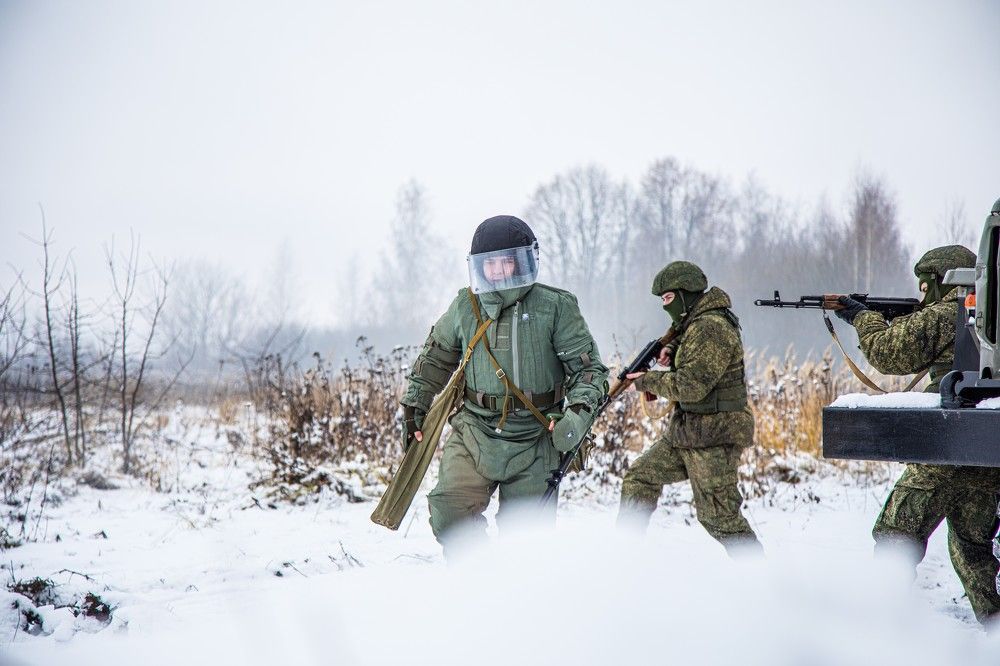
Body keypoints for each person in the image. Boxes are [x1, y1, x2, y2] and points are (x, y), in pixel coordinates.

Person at [400, 215, 608, 555]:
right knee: (448, 513)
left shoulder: (556, 306)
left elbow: (589, 372)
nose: (498, 271)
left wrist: (577, 416)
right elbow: (434, 360)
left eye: (506, 261)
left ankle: (513, 598)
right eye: (490, 263)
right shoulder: (465, 306)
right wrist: (414, 406)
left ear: (524, 260)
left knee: (525, 545)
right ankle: (479, 581)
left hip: (537, 438)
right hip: (474, 433)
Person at [835, 242, 1000, 623]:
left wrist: (863, 318)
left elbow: (888, 352)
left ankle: (878, 625)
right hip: (988, 445)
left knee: (895, 536)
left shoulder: (950, 312)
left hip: (947, 445)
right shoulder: (990, 312)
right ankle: (995, 632)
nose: (922, 295)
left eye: (925, 286)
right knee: (972, 548)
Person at [617, 261, 761, 555]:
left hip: (714, 436)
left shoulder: (711, 327)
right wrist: (671, 349)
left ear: (685, 295)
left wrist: (646, 381)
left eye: (668, 299)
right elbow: (687, 342)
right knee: (640, 477)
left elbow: (692, 386)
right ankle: (624, 558)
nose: (665, 307)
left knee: (720, 519)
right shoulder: (695, 324)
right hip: (687, 433)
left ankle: (759, 580)